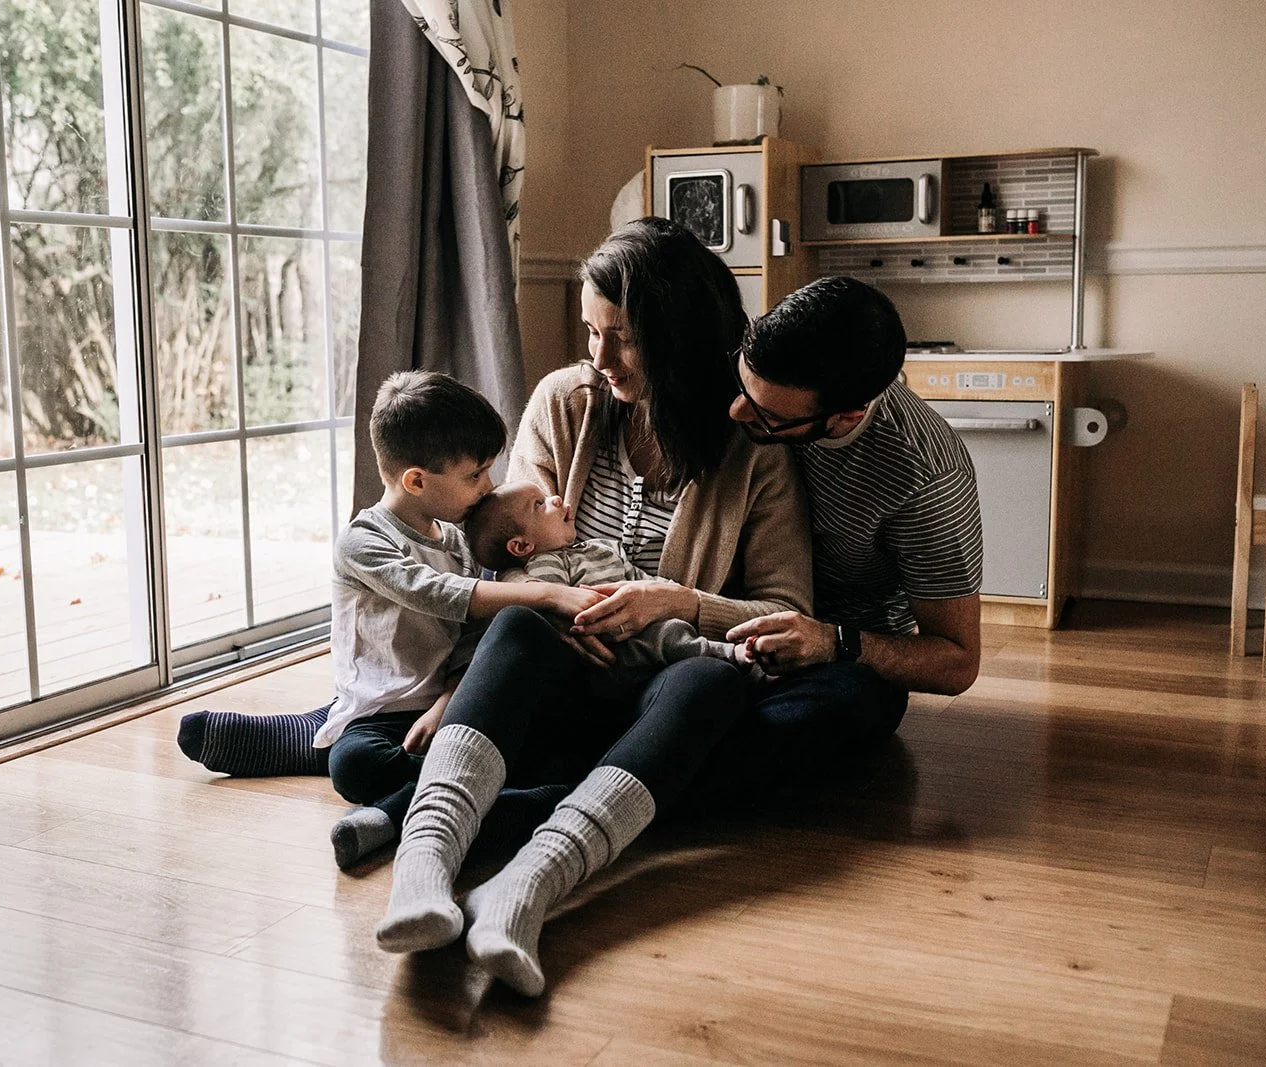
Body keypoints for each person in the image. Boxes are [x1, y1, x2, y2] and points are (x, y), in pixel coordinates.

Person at [374, 218, 813, 998]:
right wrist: (458, 686)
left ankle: (528, 887)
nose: (599, 358)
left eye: (625, 339)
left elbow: (783, 608)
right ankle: (421, 868)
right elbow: (506, 550)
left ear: (679, 341)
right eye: (591, 332)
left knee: (716, 688)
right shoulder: (566, 402)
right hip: (560, 664)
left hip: (665, 672)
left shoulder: (753, 451)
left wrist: (674, 601)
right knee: (512, 628)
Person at [178, 370, 598, 869]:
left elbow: (473, 639)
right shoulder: (364, 542)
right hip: (382, 713)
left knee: (542, 743)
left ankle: (337, 743)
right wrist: (549, 594)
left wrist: (447, 701)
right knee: (355, 765)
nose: (489, 487)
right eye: (475, 475)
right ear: (416, 481)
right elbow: (439, 594)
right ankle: (327, 737)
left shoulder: (459, 541)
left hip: (449, 708)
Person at [707, 274, 983, 806]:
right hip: (718, 616)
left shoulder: (924, 477)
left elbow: (957, 662)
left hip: (830, 656)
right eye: (742, 385)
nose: (736, 413)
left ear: (846, 416)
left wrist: (834, 642)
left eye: (766, 415)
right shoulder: (755, 381)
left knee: (835, 710)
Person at [462, 480, 756, 680]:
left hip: (644, 622)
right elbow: (552, 608)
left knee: (672, 630)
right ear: (522, 547)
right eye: (540, 504)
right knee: (667, 637)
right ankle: (728, 654)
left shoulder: (601, 547)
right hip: (612, 644)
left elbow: (641, 581)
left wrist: (668, 594)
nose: (555, 497)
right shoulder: (546, 566)